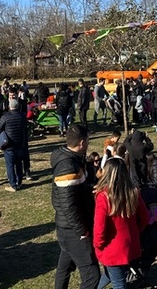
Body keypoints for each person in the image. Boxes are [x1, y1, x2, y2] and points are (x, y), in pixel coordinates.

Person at [51, 124, 99, 289]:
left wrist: (88, 188)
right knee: (92, 275)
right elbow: (68, 204)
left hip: (67, 228)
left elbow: (73, 189)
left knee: (65, 267)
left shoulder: (72, 159)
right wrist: (82, 231)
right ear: (82, 143)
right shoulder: (67, 166)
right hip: (73, 229)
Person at [93, 158, 149, 289]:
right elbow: (145, 217)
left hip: (111, 247)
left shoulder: (104, 196)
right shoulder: (133, 192)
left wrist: (98, 244)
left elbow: (99, 226)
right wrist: (135, 232)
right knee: (110, 273)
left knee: (119, 283)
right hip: (129, 245)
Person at [0, 97, 28, 192]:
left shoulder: (5, 116)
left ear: (9, 106)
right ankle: (19, 182)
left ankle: (13, 184)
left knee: (10, 165)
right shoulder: (22, 116)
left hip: (9, 144)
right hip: (20, 142)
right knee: (19, 164)